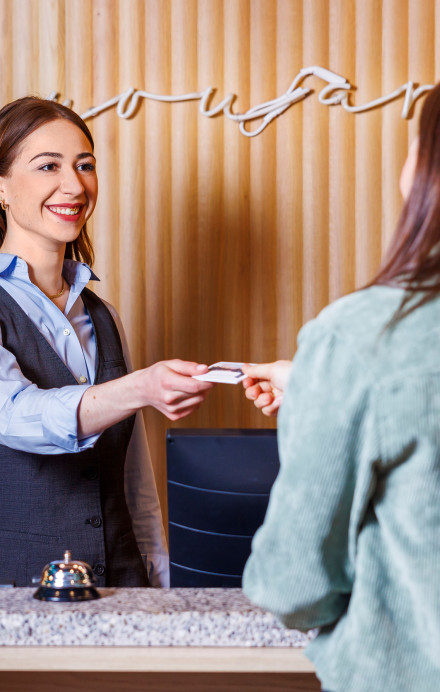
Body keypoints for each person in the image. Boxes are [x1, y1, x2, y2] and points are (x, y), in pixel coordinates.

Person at [241, 83, 440, 691]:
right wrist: (317, 388)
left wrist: (334, 382)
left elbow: (294, 584)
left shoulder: (361, 337)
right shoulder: (355, 351)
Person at [0, 96, 213, 589]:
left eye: (85, 165)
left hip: (122, 583)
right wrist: (141, 388)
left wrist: (159, 584)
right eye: (47, 165)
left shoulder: (102, 315)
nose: (73, 185)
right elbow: (13, 415)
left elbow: (134, 476)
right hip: (16, 596)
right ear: (3, 187)